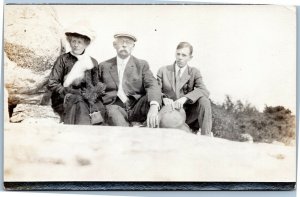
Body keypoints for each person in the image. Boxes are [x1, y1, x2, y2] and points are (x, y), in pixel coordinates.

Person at [93, 33, 161, 128]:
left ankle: (142, 126)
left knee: (154, 99)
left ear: (133, 46)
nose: (124, 45)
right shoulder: (103, 66)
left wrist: (154, 107)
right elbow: (95, 92)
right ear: (114, 45)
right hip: (114, 107)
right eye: (121, 42)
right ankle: (130, 133)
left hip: (136, 107)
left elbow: (152, 84)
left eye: (128, 42)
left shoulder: (141, 65)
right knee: (113, 113)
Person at [48, 22, 106, 125]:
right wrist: (66, 91)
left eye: (79, 42)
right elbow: (52, 83)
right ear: (69, 41)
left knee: (100, 107)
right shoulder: (63, 59)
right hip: (64, 97)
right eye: (73, 41)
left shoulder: (92, 62)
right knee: (79, 102)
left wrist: (92, 93)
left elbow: (96, 83)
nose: (75, 45)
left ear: (86, 44)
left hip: (87, 97)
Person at [157, 42, 212, 135]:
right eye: (178, 54)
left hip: (188, 114)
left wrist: (185, 98)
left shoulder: (194, 72)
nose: (180, 57)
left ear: (190, 57)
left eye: (184, 55)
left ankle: (206, 136)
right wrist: (163, 98)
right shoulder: (163, 70)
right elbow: (155, 90)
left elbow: (204, 90)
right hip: (169, 113)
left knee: (204, 101)